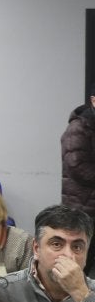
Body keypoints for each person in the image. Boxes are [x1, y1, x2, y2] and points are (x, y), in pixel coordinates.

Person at [60, 85, 95, 259]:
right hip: (82, 207)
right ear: (93, 101)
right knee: (80, 258)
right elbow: (76, 165)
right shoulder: (79, 127)